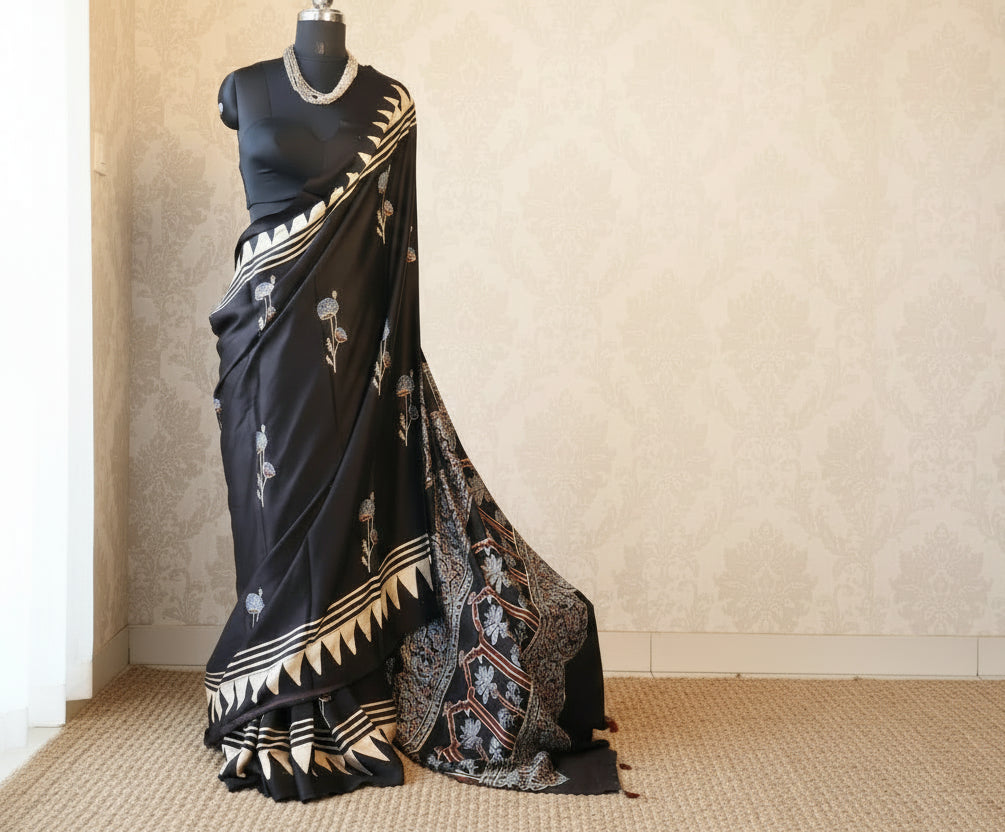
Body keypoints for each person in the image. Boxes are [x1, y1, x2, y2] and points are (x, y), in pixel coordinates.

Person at [204, 1, 621, 802]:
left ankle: (340, 693)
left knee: (338, 515)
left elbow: (397, 252)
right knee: (268, 513)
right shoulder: (244, 88)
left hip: (356, 355)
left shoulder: (391, 104)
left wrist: (391, 362)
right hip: (259, 349)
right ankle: (277, 701)